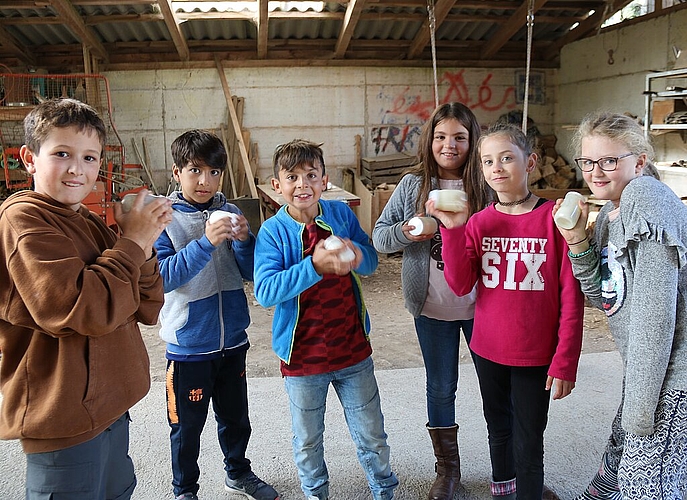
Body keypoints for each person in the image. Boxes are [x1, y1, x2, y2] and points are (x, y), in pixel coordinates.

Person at [0, 98, 172, 499]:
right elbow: (81, 310)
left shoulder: (89, 221)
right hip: (65, 421)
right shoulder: (23, 220)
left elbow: (147, 305)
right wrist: (133, 240)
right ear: (29, 159)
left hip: (111, 405)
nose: (78, 168)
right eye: (62, 153)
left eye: (90, 157)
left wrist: (143, 244)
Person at [427, 122, 584, 500]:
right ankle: (503, 492)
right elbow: (462, 284)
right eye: (487, 162)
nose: (496, 168)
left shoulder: (555, 219)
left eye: (506, 158)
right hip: (488, 349)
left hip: (535, 353)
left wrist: (565, 360)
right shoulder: (480, 222)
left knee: (529, 440)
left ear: (530, 163)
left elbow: (571, 296)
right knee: (498, 428)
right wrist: (452, 230)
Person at [253, 139, 398, 500]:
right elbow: (266, 291)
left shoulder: (340, 215)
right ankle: (316, 494)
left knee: (372, 434)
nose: (302, 185)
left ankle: (384, 490)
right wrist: (313, 266)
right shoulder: (273, 232)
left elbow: (372, 263)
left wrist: (355, 253)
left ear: (324, 180)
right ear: (277, 186)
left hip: (353, 351)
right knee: (307, 440)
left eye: (310, 176)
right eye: (292, 177)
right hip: (303, 359)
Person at [553, 112, 687, 500]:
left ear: (639, 161)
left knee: (645, 483)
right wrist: (578, 240)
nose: (596, 172)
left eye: (610, 161)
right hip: (646, 369)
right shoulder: (612, 214)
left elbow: (655, 317)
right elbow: (604, 297)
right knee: (614, 468)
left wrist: (640, 411)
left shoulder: (645, 199)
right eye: (589, 161)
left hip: (674, 374)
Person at [372, 102, 491, 500]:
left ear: (472, 141)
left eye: (459, 137)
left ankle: (506, 465)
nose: (449, 145)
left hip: (486, 307)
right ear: (430, 140)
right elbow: (380, 237)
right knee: (441, 387)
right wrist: (409, 232)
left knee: (497, 387)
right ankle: (448, 472)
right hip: (431, 307)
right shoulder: (412, 185)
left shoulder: (487, 184)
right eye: (441, 136)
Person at [154, 129, 278, 500]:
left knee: (236, 418)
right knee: (186, 427)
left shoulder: (232, 211)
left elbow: (251, 272)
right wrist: (206, 242)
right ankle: (184, 490)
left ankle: (238, 473)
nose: (205, 180)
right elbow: (164, 278)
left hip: (233, 340)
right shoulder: (165, 219)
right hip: (189, 346)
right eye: (195, 170)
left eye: (214, 172)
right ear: (177, 173)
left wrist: (244, 241)